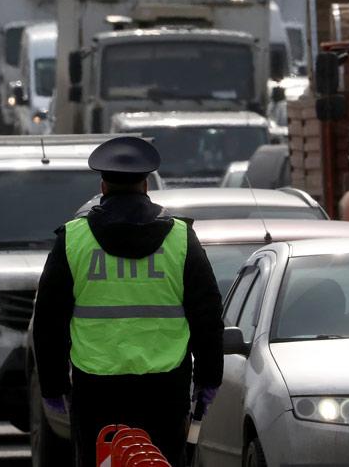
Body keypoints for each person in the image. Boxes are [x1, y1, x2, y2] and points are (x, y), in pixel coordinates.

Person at [33, 136, 224, 466]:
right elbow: (206, 314)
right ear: (146, 183)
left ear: (102, 185)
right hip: (164, 388)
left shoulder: (74, 239)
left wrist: (52, 385)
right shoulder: (180, 239)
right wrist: (209, 379)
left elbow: (49, 318)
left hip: (97, 389)